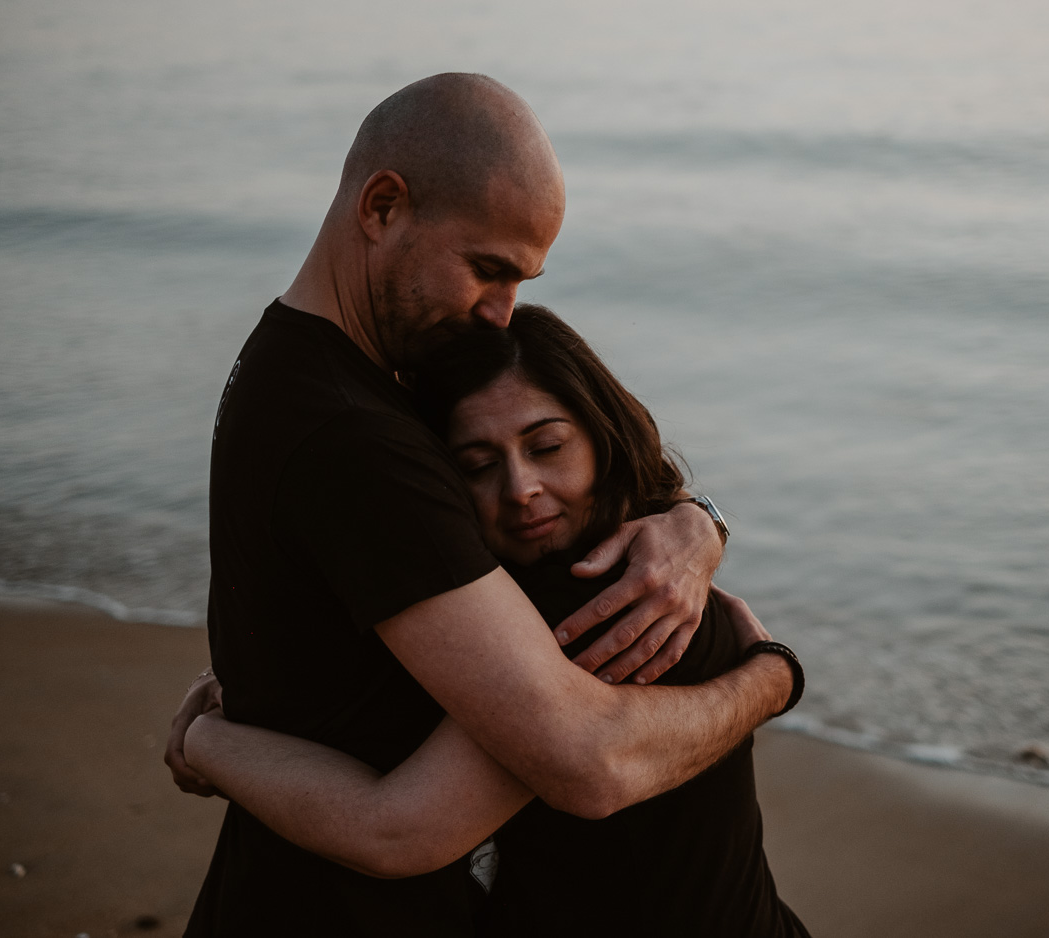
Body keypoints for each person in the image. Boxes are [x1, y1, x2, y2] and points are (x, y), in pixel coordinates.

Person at [163, 73, 800, 936]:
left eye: (522, 281)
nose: (502, 316)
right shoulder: (354, 439)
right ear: (382, 206)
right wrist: (771, 677)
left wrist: (699, 521)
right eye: (488, 270)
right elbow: (584, 760)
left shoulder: (304, 370)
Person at [184, 304, 811, 937]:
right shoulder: (637, 560)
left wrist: (205, 741)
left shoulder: (599, 603)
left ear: (603, 437)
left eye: (547, 447)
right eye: (478, 466)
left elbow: (396, 831)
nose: (520, 489)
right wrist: (704, 523)